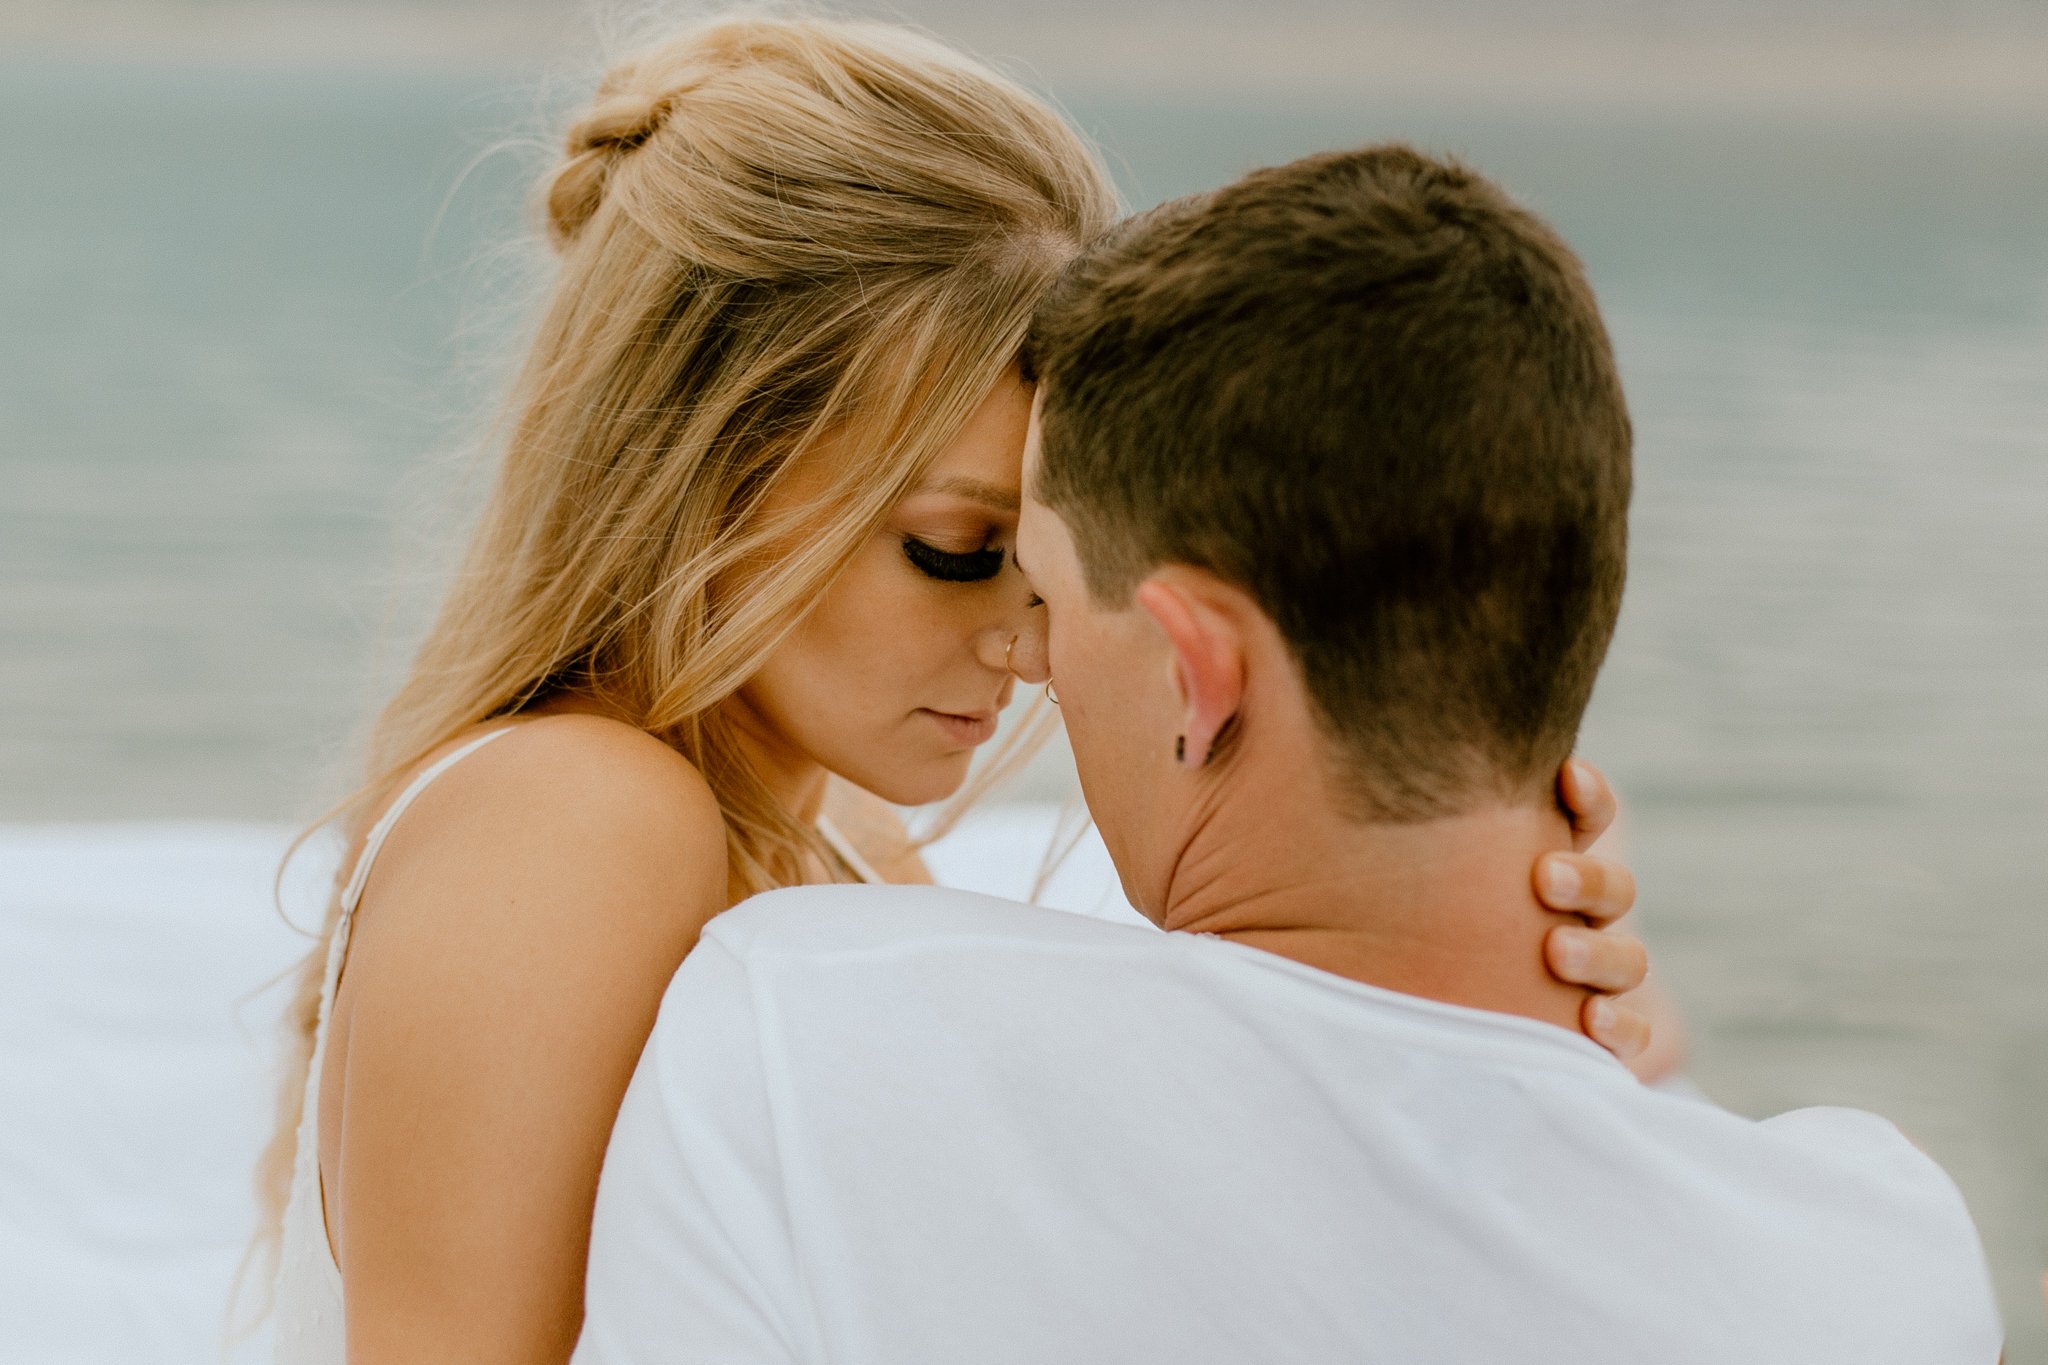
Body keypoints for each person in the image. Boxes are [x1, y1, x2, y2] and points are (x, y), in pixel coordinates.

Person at [254, 20, 1655, 1365]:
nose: (1033, 643)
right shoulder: (577, 820)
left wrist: (1491, 1017)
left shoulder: (849, 848)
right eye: (957, 550)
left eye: (1052, 566)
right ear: (701, 468)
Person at [572, 145, 2002, 1363]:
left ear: (1200, 669)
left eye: (1052, 595)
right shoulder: (1884, 1264)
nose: (1034, 663)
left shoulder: (802, 1040)